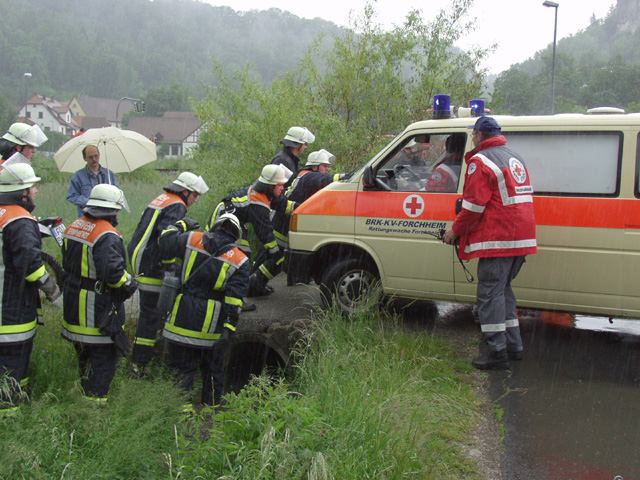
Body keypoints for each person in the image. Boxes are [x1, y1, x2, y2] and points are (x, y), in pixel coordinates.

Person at [443, 116, 537, 370]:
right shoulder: (513, 156)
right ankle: (513, 347)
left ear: (481, 135)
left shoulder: (480, 161)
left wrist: (454, 231)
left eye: (473, 134)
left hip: (500, 239)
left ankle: (496, 353)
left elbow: (473, 206)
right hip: (520, 237)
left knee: (489, 294)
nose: (472, 138)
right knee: (503, 291)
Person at [158, 213, 249, 411]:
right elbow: (234, 299)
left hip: (181, 317)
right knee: (213, 371)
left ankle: (180, 418)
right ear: (237, 235)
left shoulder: (191, 239)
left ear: (215, 226)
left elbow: (164, 242)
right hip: (211, 325)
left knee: (182, 371)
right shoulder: (240, 259)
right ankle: (211, 416)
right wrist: (228, 329)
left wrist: (180, 225)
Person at [126, 172, 208, 378]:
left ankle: (143, 361)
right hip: (151, 262)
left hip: (142, 257)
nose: (195, 200)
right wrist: (182, 227)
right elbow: (166, 238)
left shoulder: (163, 199)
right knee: (150, 316)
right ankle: (139, 367)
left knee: (150, 313)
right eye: (195, 195)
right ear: (185, 191)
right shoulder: (177, 205)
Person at [61, 184, 136, 405]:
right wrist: (129, 282)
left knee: (84, 364)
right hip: (97, 316)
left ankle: (85, 403)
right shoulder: (106, 234)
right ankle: (94, 416)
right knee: (102, 368)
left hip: (74, 312)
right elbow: (112, 274)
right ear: (112, 210)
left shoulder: (74, 226)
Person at [0, 162, 61, 417]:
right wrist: (52, 289)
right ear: (21, 192)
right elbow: (30, 265)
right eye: (32, 187)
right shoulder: (20, 220)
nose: (35, 191)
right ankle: (10, 419)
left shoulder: (5, 214)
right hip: (11, 310)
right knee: (12, 367)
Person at [249, 149, 347, 296]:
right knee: (275, 259)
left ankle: (255, 284)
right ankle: (253, 285)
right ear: (314, 167)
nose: (327, 169)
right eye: (324, 166)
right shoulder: (308, 176)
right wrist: (348, 177)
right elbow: (328, 179)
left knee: (274, 259)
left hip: (283, 221)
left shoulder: (305, 176)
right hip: (282, 224)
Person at [206, 164, 293, 311]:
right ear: (270, 186)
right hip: (224, 222)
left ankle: (242, 291)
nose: (282, 188)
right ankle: (236, 300)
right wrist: (279, 257)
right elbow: (266, 235)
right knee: (239, 260)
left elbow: (285, 205)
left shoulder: (267, 194)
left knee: (242, 257)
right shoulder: (258, 202)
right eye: (280, 185)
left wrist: (307, 208)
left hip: (235, 223)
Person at [66, 145, 119, 217]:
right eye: (90, 157)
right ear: (85, 158)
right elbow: (72, 196)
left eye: (96, 156)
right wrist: (90, 202)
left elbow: (117, 194)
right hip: (86, 217)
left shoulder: (109, 174)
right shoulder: (78, 176)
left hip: (107, 216)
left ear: (99, 156)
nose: (94, 159)